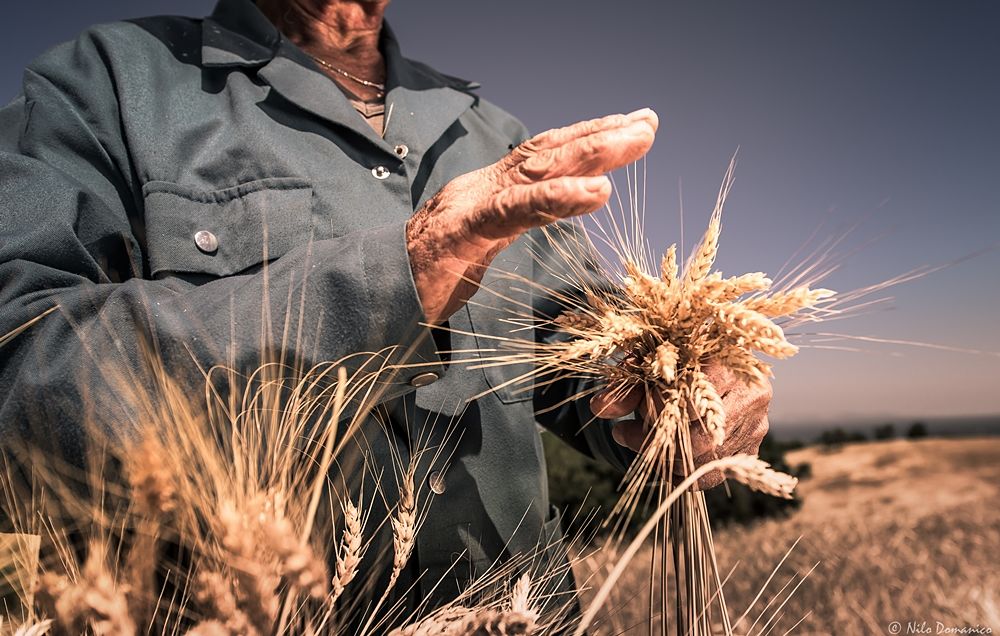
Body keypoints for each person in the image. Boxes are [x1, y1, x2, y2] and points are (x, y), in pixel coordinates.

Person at [0, 0, 770, 623]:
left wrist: (667, 387)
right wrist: (400, 275)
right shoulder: (106, 85)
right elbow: (22, 371)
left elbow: (570, 346)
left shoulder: (486, 128)